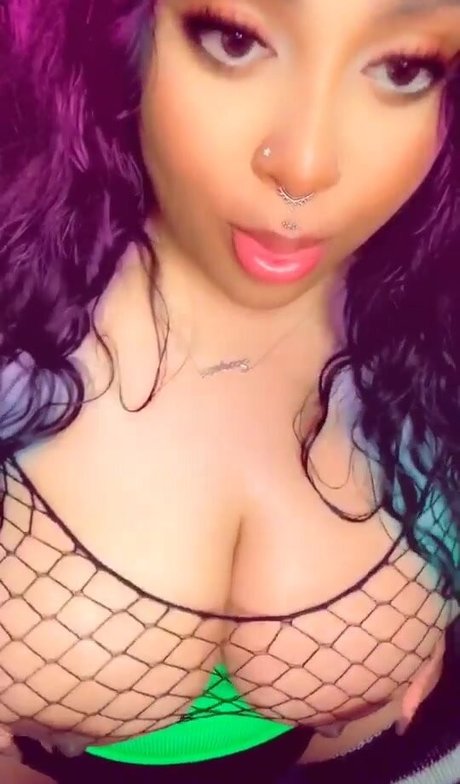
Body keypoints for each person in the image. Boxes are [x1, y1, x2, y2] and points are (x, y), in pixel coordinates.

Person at [0, 0, 459, 782]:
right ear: (119, 30)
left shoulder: (437, 316)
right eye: (236, 39)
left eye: (404, 66)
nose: (305, 164)